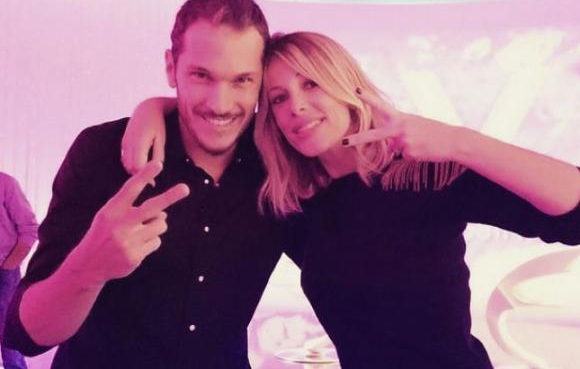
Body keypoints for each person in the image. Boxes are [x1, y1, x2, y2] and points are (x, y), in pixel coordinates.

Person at [122, 31, 580, 369]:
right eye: (278, 98)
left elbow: (573, 213)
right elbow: (218, 115)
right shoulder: (292, 204)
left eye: (311, 84)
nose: (296, 106)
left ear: (346, 86)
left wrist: (460, 142)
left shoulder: (422, 172)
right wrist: (153, 107)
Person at [3, 0, 287, 369]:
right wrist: (89, 268)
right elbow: (25, 335)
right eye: (201, 75)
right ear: (171, 67)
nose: (220, 103)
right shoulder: (102, 152)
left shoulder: (277, 165)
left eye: (241, 80)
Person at [0, 172, 38, 369]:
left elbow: (30, 229)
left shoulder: (5, 184)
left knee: (7, 333)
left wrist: (9, 266)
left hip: (4, 272)